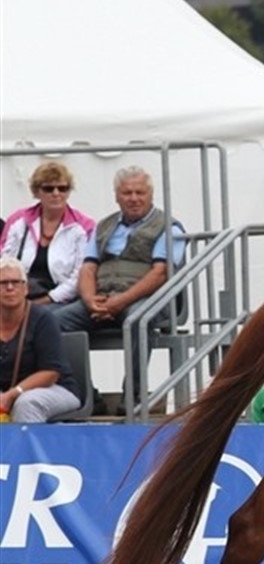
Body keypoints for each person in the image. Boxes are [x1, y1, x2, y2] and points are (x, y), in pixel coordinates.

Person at [57, 166, 186, 405]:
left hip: (146, 299)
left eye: (140, 192)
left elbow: (160, 274)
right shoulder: (103, 226)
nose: (134, 198)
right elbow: (88, 268)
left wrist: (121, 301)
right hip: (103, 298)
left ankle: (133, 396)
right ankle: (84, 396)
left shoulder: (169, 227)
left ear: (151, 195)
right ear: (116, 196)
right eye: (127, 193)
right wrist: (90, 300)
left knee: (138, 319)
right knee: (54, 322)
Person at [1, 161, 96, 310]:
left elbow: (80, 275)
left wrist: (48, 299)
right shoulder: (18, 221)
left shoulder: (84, 226)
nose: (56, 193)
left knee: (45, 317)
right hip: (17, 296)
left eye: (62, 188)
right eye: (48, 189)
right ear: (36, 192)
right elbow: (5, 263)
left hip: (61, 300)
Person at [0, 257, 81, 422]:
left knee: (26, 403)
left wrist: (14, 393)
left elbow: (51, 373)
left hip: (54, 388)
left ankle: (26, 441)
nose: (10, 288)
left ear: (26, 288)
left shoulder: (43, 318)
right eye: (3, 283)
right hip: (6, 391)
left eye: (16, 282)